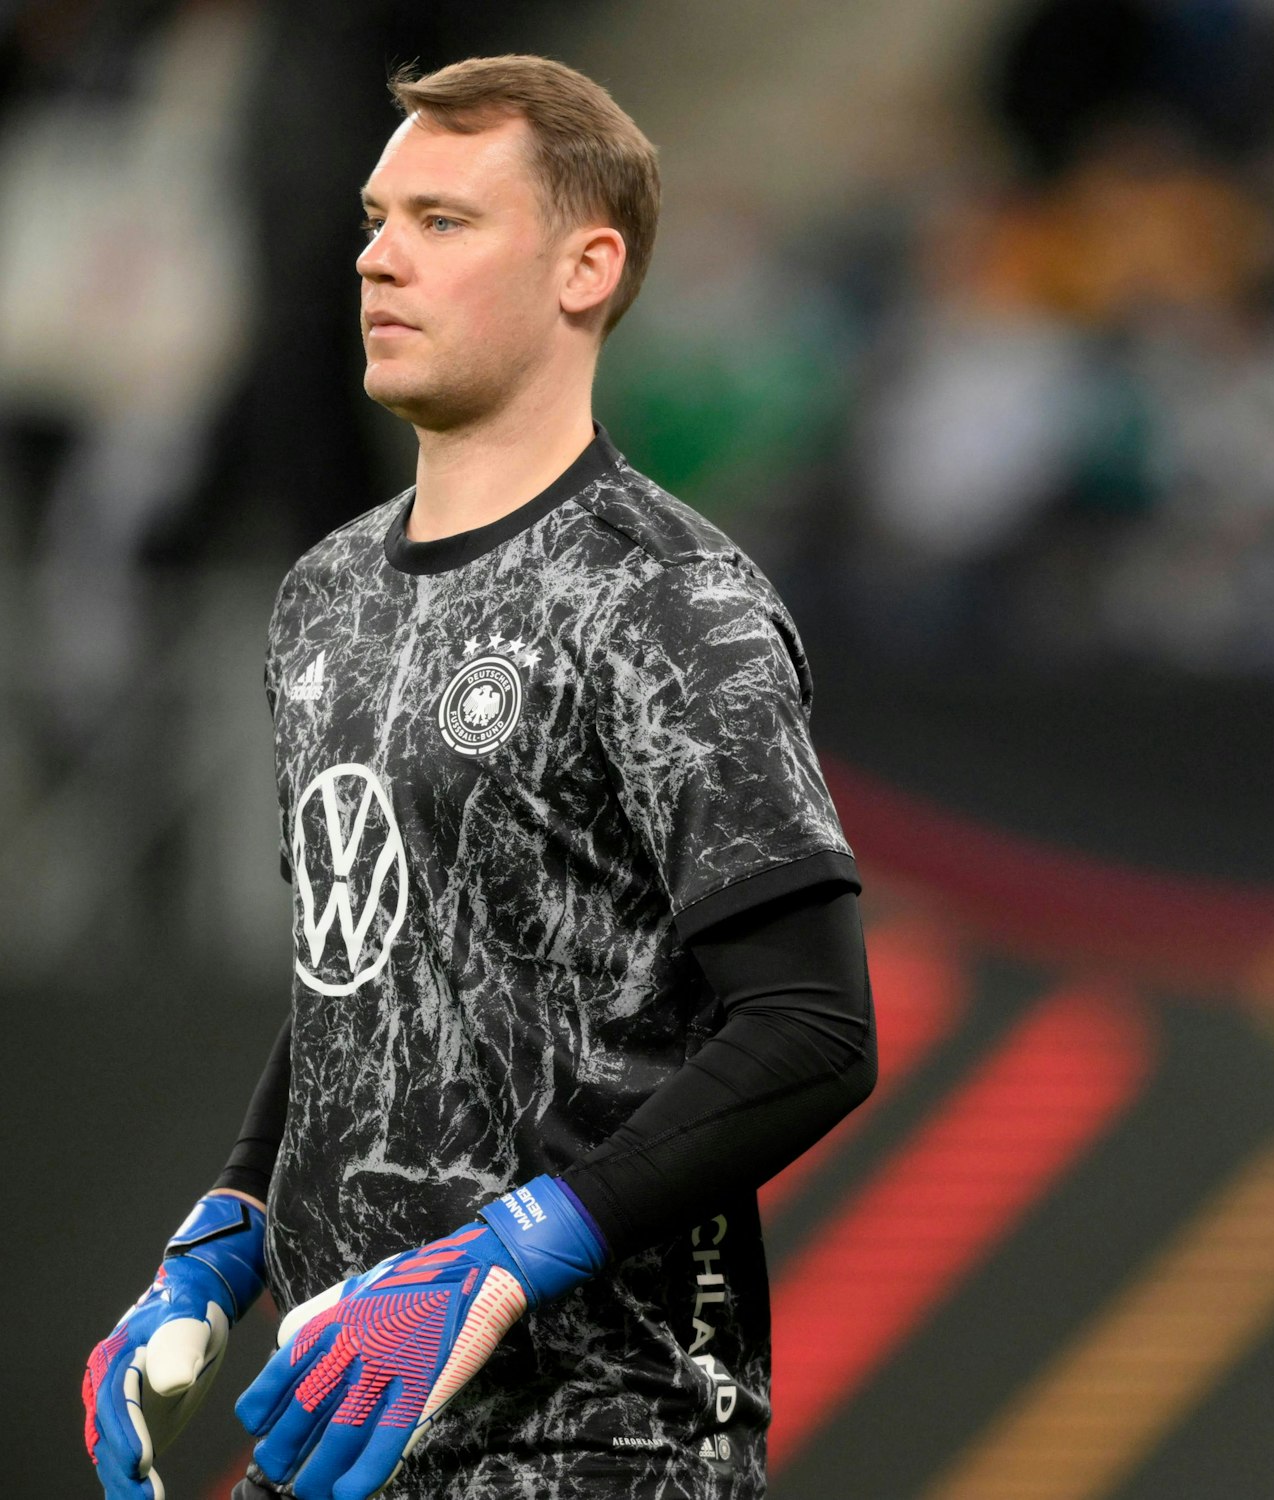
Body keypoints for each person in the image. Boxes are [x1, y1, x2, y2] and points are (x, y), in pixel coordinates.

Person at [81, 54, 876, 1500]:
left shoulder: (668, 598)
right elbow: (365, 971)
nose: (378, 258)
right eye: (377, 221)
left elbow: (813, 1029)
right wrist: (224, 1235)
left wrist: (515, 1257)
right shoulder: (325, 597)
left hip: (605, 1441)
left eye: (442, 221)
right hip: (341, 1430)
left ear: (586, 270)